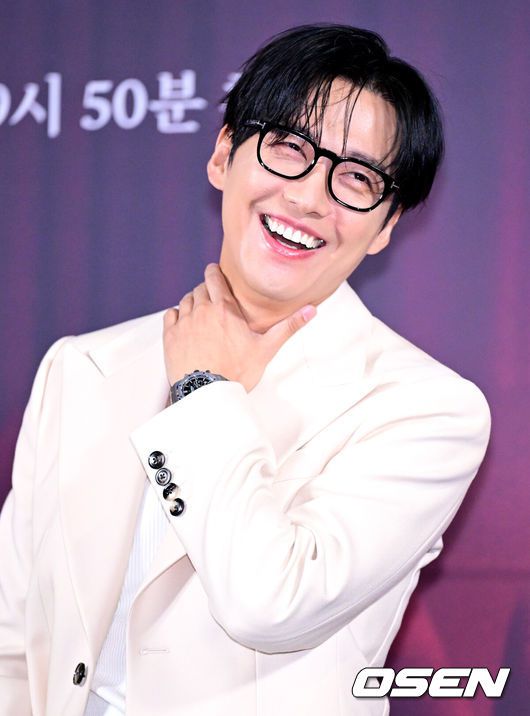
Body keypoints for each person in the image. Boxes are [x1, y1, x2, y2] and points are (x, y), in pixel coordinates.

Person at [0, 24, 490, 716]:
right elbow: (15, 637)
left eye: (356, 178)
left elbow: (269, 603)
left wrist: (203, 390)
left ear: (385, 225)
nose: (309, 198)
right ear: (223, 154)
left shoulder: (427, 409)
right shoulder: (82, 368)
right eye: (289, 146)